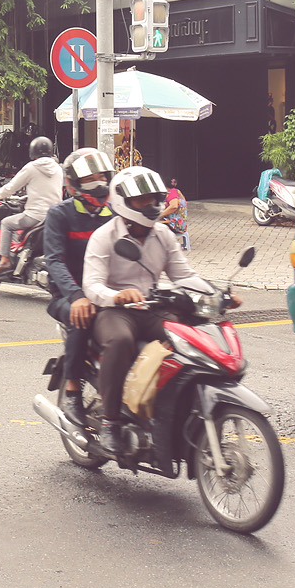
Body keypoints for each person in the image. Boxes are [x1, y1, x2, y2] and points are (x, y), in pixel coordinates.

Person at [82, 166, 236, 458]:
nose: (152, 206)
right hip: (116, 311)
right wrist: (118, 296)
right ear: (123, 201)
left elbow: (183, 275)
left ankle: (172, 406)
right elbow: (91, 285)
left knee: (190, 337)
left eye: (155, 199)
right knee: (121, 342)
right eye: (143, 200)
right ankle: (110, 422)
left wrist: (218, 294)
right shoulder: (104, 236)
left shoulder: (163, 234)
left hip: (152, 306)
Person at [40, 147, 115, 426]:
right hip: (68, 296)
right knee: (82, 318)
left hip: (108, 293)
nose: (98, 185)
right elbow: (55, 261)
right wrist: (77, 296)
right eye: (90, 179)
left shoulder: (115, 212)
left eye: (102, 177)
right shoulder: (60, 214)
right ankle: (72, 391)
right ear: (73, 184)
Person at [0, 136, 64, 279]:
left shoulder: (31, 167)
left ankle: (5, 260)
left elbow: (11, 187)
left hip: (35, 216)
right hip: (55, 216)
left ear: (33, 152)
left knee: (6, 223)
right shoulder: (57, 168)